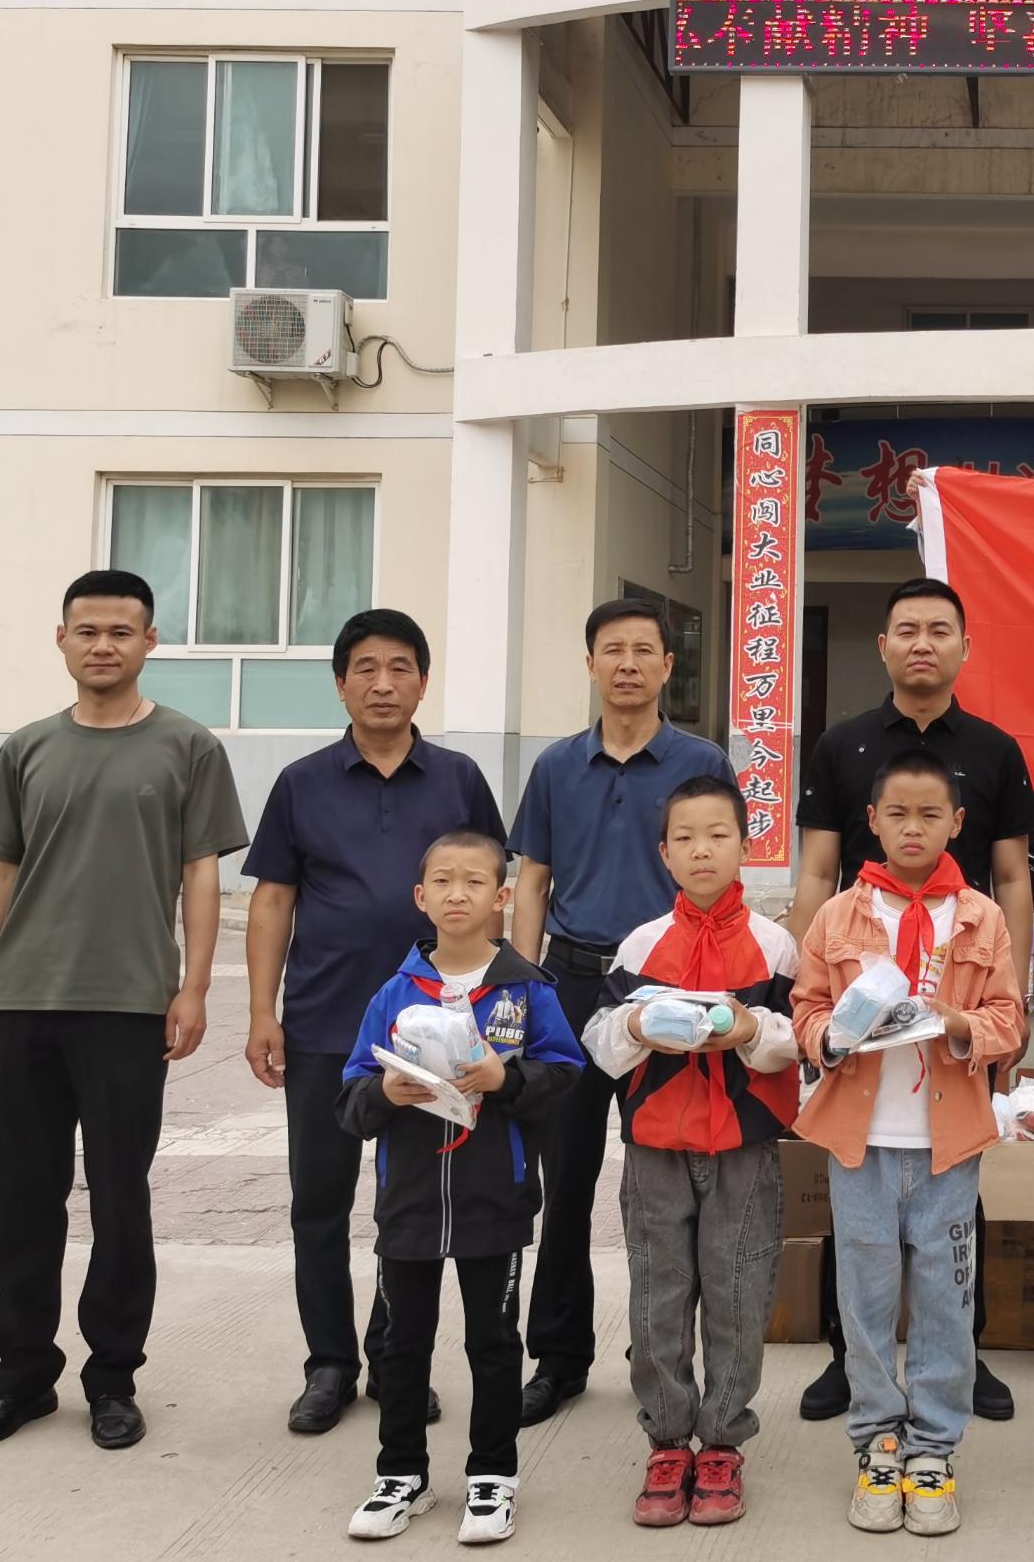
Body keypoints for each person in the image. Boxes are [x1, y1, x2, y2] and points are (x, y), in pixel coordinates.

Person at [0, 570, 250, 1456]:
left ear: (149, 641)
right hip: (25, 1003)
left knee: (120, 1198)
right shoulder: (28, 748)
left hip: (127, 1006)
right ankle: (22, 1380)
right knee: (23, 1201)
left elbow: (201, 872)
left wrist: (194, 986)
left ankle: (113, 1378)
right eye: (88, 631)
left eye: (121, 631)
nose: (103, 645)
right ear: (62, 640)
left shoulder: (187, 746)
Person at [242, 606, 507, 1435]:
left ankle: (398, 1360)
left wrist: (497, 1011)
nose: (383, 683)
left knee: (413, 1203)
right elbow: (273, 900)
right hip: (325, 1023)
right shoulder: (302, 782)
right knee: (318, 1200)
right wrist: (261, 1012)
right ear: (340, 683)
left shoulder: (459, 779)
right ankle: (328, 1364)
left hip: (436, 1032)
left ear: (423, 683)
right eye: (365, 668)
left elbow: (492, 891)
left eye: (400, 668)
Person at [790, 576, 1034, 1425]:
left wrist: (1012, 1014)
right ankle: (848, 1363)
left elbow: (1013, 878)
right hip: (857, 1002)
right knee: (858, 1223)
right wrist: (815, 1016)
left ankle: (961, 1360)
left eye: (940, 629)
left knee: (951, 1225)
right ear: (884, 645)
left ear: (965, 645)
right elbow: (817, 869)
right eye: (907, 629)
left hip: (959, 990)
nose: (923, 642)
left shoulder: (997, 749)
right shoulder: (843, 743)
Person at [791, 750, 1026, 1538]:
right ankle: (876, 1441)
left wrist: (954, 1023)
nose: (913, 828)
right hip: (859, 1141)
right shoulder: (839, 916)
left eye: (931, 815)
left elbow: (1008, 1018)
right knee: (862, 1301)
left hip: (946, 1145)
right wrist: (834, 1035)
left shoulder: (980, 917)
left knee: (945, 1301)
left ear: (958, 823)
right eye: (898, 814)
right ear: (872, 821)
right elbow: (806, 1007)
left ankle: (933, 1448)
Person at [507, 597, 731, 1424]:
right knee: (563, 1181)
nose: (628, 664)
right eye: (613, 650)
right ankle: (559, 1357)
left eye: (644, 650)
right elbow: (532, 881)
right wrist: (522, 987)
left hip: (668, 989)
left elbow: (720, 874)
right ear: (591, 663)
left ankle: (659, 1351)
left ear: (669, 666)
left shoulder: (701, 761)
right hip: (570, 984)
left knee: (666, 1184)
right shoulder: (556, 766)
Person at [337, 830, 586, 1545]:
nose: (457, 894)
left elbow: (565, 1074)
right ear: (420, 897)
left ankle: (493, 1476)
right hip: (409, 1203)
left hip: (494, 1199)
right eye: (442, 881)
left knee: (494, 1341)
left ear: (501, 897)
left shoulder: (526, 990)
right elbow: (350, 1096)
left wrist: (508, 1079)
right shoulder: (394, 992)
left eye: (474, 881)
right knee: (402, 1343)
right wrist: (386, 1092)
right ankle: (400, 1474)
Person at [581, 776, 800, 1530]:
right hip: (655, 1145)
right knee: (659, 1292)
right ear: (665, 853)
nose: (702, 850)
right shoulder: (642, 943)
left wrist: (751, 1030)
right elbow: (600, 1038)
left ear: (746, 846)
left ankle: (724, 1442)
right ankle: (668, 1440)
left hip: (744, 1145)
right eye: (685, 838)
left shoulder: (774, 944)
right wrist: (637, 1027)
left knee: (739, 1292)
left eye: (718, 835)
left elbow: (798, 1040)